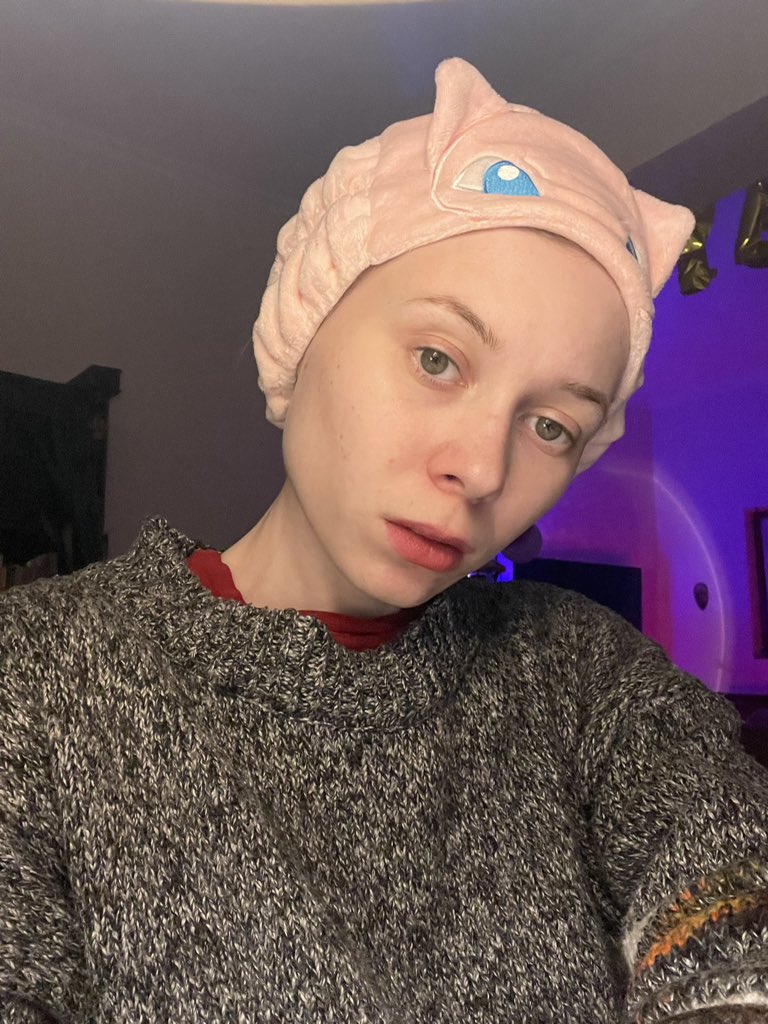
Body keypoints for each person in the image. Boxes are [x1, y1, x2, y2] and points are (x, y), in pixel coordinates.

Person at [1, 58, 766, 1024]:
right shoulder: (34, 677)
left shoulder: (584, 674)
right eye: (439, 358)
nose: (481, 469)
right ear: (304, 323)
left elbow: (731, 894)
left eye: (551, 426)